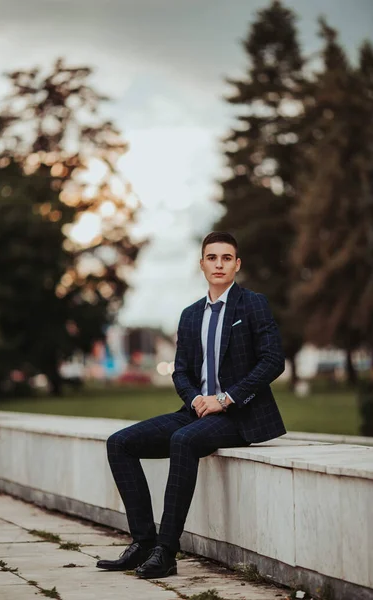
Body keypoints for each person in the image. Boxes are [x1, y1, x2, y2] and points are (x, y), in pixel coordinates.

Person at [96, 231, 286, 579]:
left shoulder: (253, 304)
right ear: (202, 264)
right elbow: (181, 371)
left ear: (237, 264)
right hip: (197, 410)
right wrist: (196, 399)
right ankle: (143, 543)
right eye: (212, 258)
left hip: (240, 415)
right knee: (119, 443)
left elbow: (273, 360)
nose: (219, 264)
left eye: (226, 258)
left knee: (183, 440)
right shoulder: (190, 315)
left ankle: (166, 552)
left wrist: (225, 398)